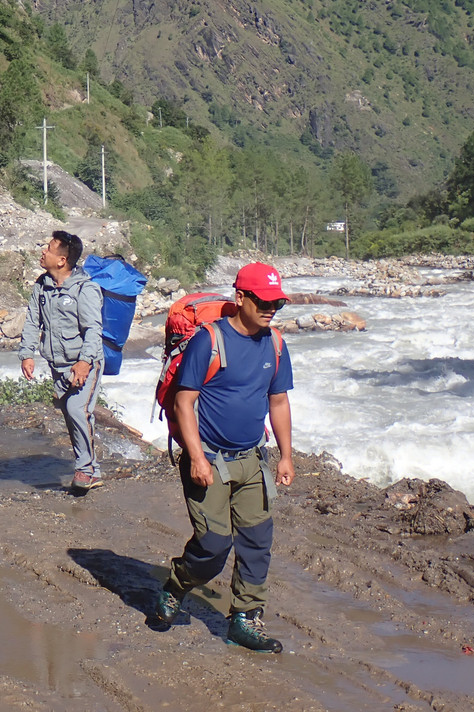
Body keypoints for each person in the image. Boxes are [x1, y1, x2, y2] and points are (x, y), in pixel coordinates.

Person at [153, 261, 295, 653]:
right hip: (210, 460)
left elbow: (278, 401)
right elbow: (184, 403)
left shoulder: (276, 344)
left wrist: (285, 455)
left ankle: (244, 620)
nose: (271, 309)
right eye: (264, 301)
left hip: (253, 459)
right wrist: (196, 457)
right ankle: (177, 585)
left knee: (256, 541)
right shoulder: (210, 341)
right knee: (213, 546)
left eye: (277, 303)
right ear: (240, 298)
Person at [19, 230, 105, 494]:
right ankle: (92, 470)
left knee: (79, 410)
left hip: (84, 362)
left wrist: (85, 362)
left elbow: (93, 329)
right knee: (71, 415)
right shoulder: (41, 287)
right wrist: (27, 354)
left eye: (49, 248)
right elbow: (33, 322)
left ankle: (85, 469)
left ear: (62, 260)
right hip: (58, 365)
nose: (43, 251)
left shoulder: (85, 289)